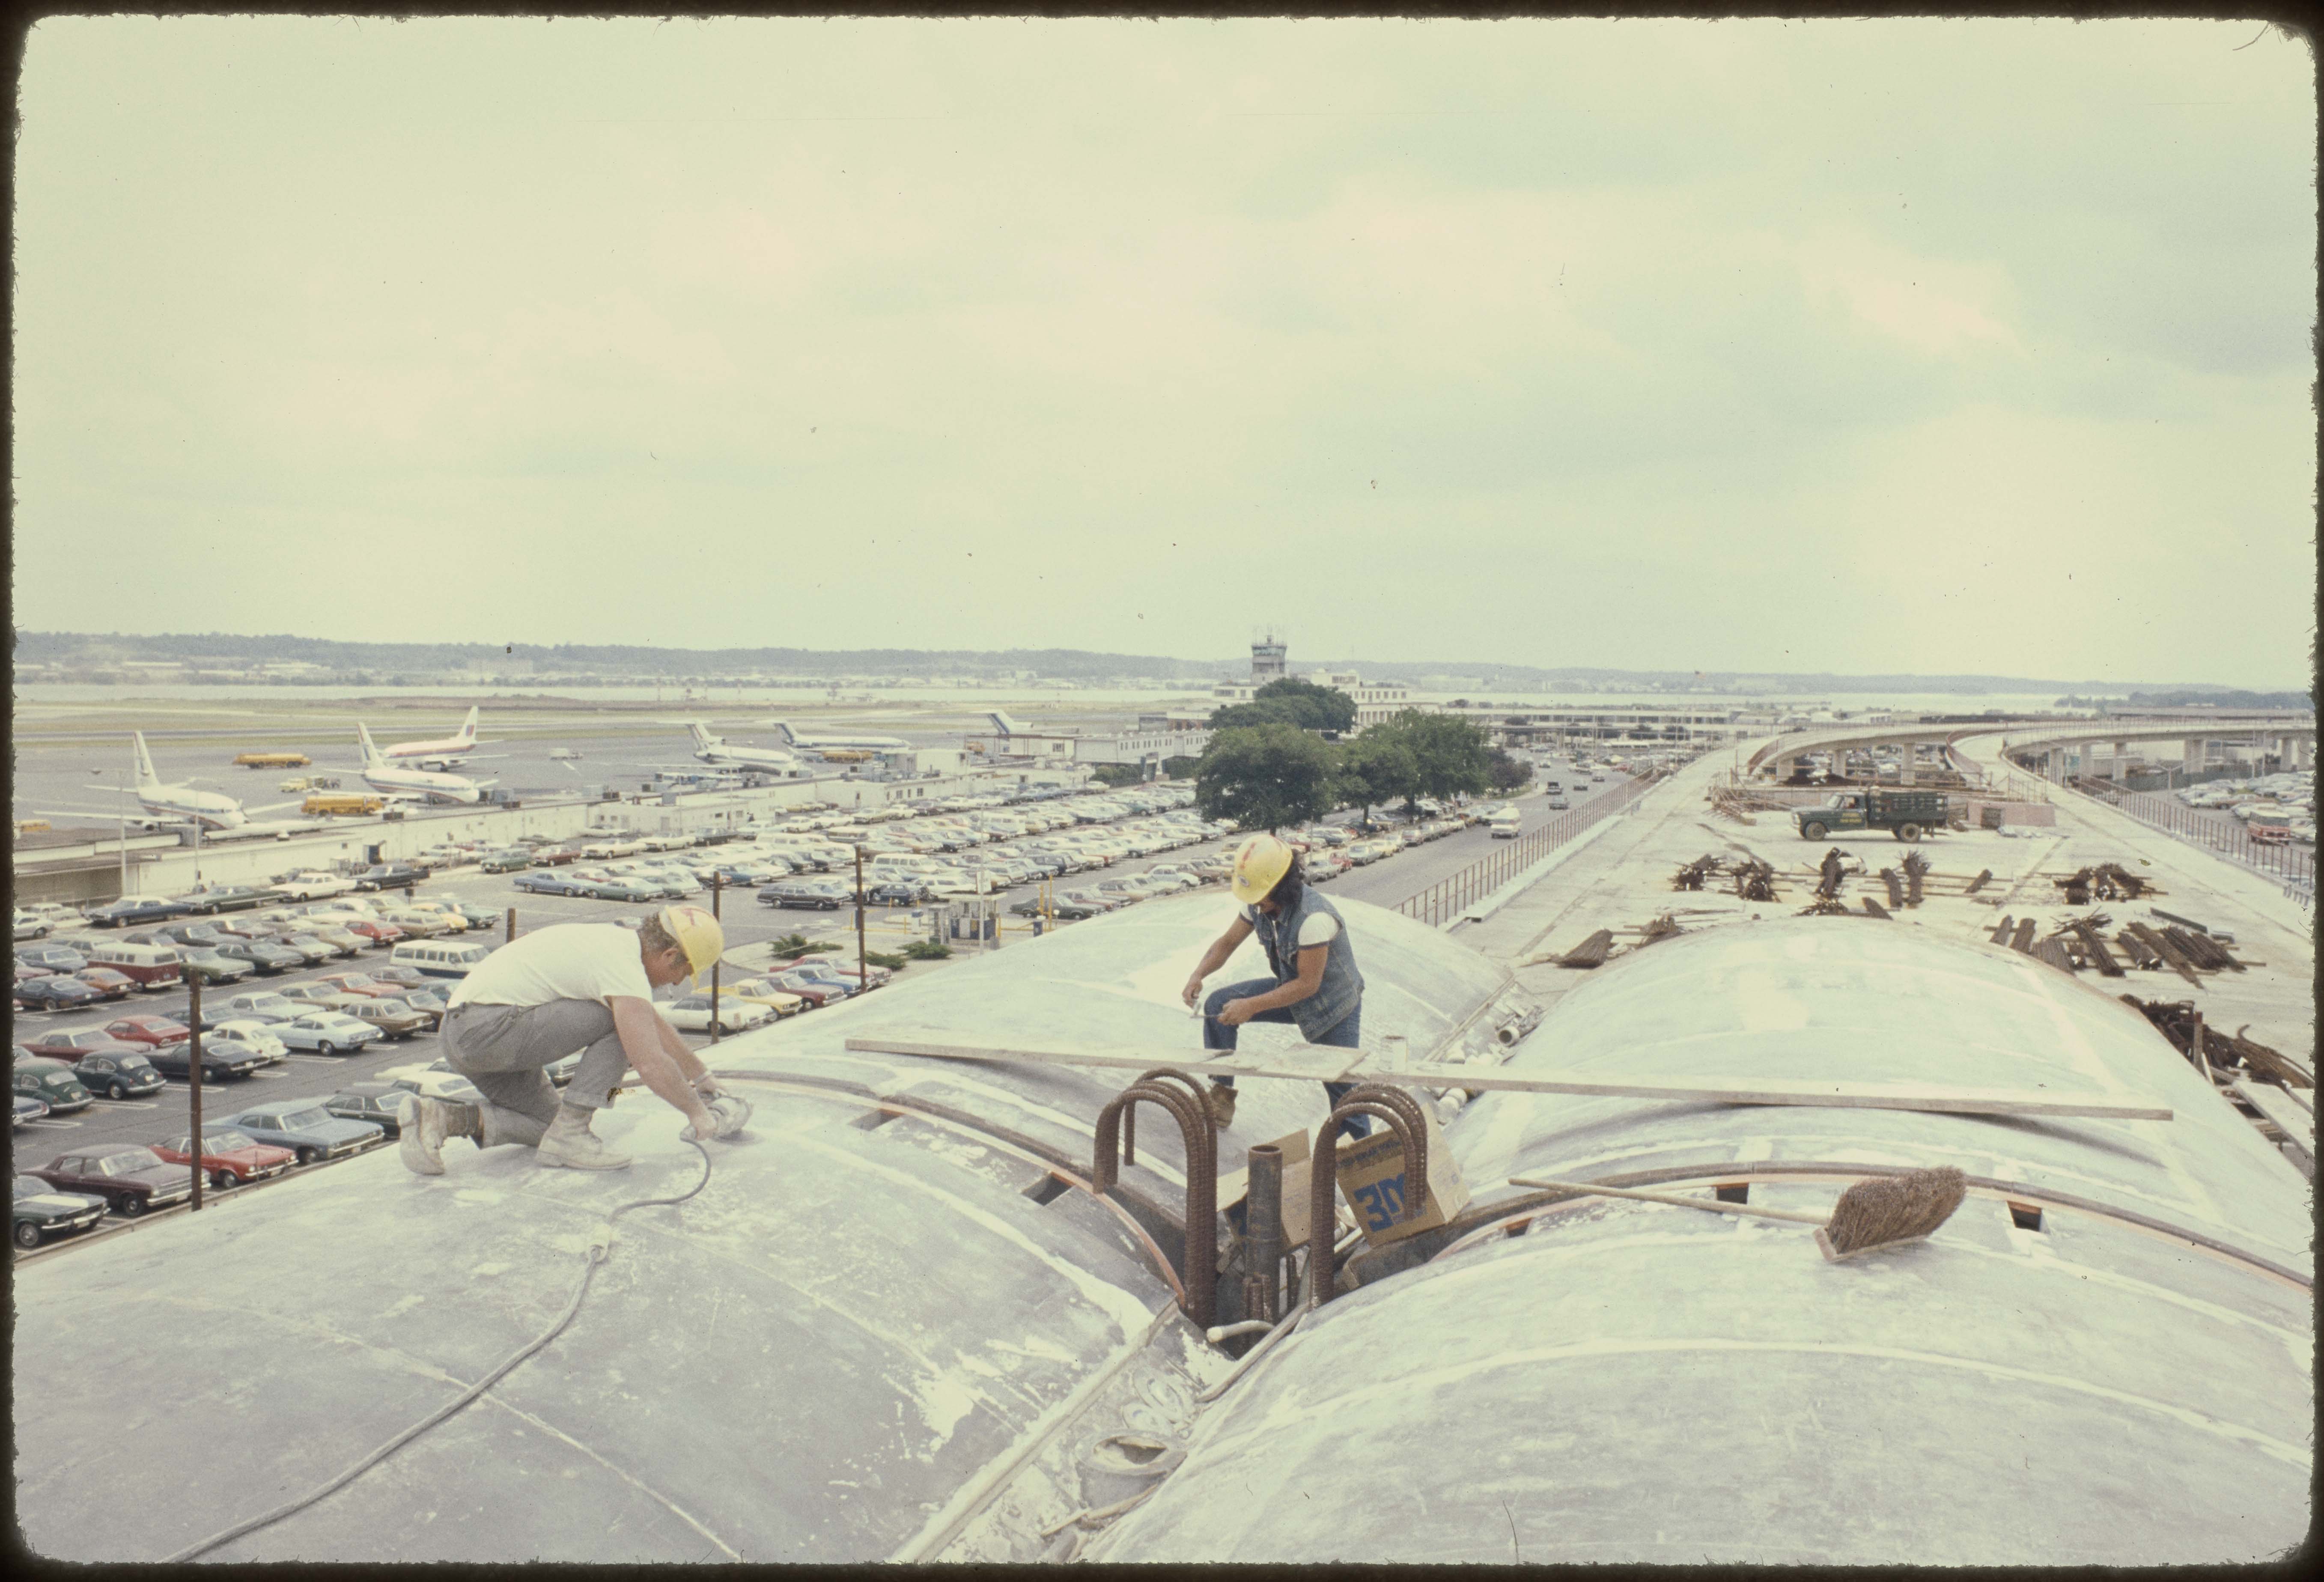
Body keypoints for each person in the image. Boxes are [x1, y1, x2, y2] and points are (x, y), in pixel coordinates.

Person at [398, 905, 746, 1175]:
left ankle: (441, 1117)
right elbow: (649, 1061)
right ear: (669, 955)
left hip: (468, 1033)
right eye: (682, 973)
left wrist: (701, 1075)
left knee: (548, 1129)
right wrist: (699, 1114)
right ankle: (574, 1132)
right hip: (485, 1028)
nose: (675, 985)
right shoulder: (622, 964)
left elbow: (650, 1021)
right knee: (620, 1024)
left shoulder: (614, 947)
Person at [1180, 832, 1369, 1133]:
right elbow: (1227, 943)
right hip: (1291, 988)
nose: (1255, 903)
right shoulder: (1258, 903)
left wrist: (1252, 1005)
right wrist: (1198, 974)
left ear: (1282, 887)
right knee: (1218, 1007)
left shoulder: (1314, 919)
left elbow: (1308, 985)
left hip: (1331, 1005)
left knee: (1344, 1094)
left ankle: (1367, 1161)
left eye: (1261, 896)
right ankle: (1221, 1098)